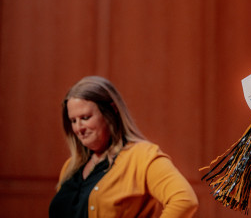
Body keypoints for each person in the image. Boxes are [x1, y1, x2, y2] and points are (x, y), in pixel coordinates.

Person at [49, 76, 199, 218]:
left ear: (111, 110)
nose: (78, 128)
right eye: (73, 121)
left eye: (85, 118)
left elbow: (185, 200)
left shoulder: (142, 156)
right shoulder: (71, 167)